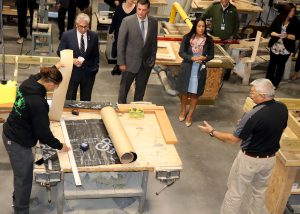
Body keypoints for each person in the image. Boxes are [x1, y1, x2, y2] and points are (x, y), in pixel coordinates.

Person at [199, 78, 288, 214]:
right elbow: (280, 128)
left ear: (262, 96)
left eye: (253, 93)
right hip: (269, 160)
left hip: (249, 160)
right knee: (259, 193)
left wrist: (212, 131)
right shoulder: (282, 108)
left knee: (235, 192)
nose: (250, 95)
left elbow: (233, 139)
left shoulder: (253, 115)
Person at [2, 63, 70, 214]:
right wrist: (59, 146)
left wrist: (54, 66)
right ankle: (21, 209)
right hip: (16, 141)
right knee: (24, 177)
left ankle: (18, 198)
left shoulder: (30, 82)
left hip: (12, 131)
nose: (56, 88)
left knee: (22, 174)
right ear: (50, 83)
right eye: (56, 85)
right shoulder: (38, 103)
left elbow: (37, 74)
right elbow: (43, 133)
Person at [175, 17, 214, 127]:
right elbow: (181, 52)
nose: (201, 28)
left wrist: (204, 58)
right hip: (187, 67)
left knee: (194, 94)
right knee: (184, 92)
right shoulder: (187, 38)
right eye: (199, 26)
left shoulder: (209, 40)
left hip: (199, 70)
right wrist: (191, 58)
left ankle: (190, 115)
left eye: (203, 26)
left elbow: (211, 55)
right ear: (195, 27)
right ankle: (183, 111)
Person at [117, 0, 158, 104]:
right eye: (139, 9)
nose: (141, 12)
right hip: (129, 63)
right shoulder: (127, 21)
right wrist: (121, 62)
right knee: (123, 91)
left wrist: (152, 59)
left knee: (140, 92)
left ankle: (136, 111)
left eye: (144, 10)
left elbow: (154, 42)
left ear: (148, 10)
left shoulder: (153, 22)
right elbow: (120, 43)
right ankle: (121, 110)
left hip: (145, 64)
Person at [57, 13, 99, 101]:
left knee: (86, 100)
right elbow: (60, 52)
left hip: (89, 73)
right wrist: (71, 60)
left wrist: (95, 69)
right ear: (76, 24)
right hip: (72, 73)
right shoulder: (67, 35)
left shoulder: (94, 36)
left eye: (86, 27)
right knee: (70, 99)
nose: (83, 29)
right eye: (81, 26)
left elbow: (96, 54)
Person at [202, 0, 239, 81]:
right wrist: (203, 29)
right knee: (214, 56)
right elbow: (203, 17)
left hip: (228, 38)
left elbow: (237, 23)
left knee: (228, 58)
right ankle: (212, 75)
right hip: (215, 37)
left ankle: (225, 76)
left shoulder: (233, 9)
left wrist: (234, 35)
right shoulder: (214, 6)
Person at [266, 3, 299, 88]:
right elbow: (270, 31)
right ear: (286, 11)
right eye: (291, 11)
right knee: (271, 65)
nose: (292, 13)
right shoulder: (279, 18)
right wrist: (277, 35)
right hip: (275, 45)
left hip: (286, 48)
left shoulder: (296, 22)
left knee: (280, 66)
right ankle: (267, 83)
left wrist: (287, 35)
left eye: (293, 11)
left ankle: (275, 84)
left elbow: (297, 36)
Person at [109, 0, 136, 75]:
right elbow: (114, 20)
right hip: (119, 33)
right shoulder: (119, 7)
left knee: (127, 51)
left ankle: (123, 67)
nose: (132, 1)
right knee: (118, 51)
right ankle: (118, 65)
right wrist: (111, 31)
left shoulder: (136, 9)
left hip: (131, 34)